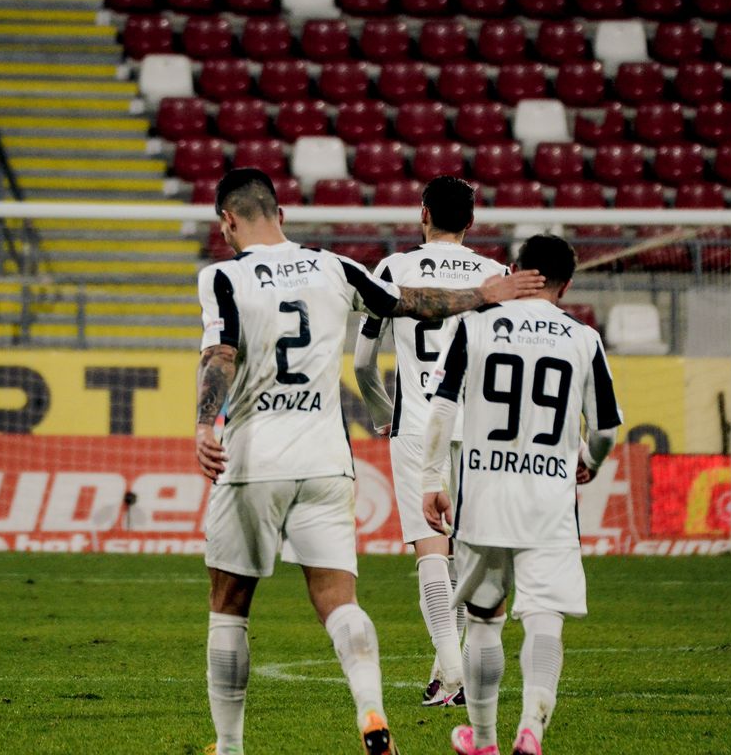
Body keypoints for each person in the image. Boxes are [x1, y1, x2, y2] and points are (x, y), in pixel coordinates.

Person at [195, 168, 546, 755]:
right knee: (341, 601)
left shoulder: (222, 276)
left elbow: (221, 352)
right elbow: (411, 304)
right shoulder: (334, 266)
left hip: (254, 459)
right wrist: (483, 294)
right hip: (330, 460)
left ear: (227, 221)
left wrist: (206, 421)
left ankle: (230, 747)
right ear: (281, 215)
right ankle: (373, 711)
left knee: (229, 608)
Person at [419, 234, 622, 755]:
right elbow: (603, 430)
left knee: (485, 620)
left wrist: (430, 480)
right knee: (543, 617)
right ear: (566, 285)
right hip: (550, 502)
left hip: (484, 497)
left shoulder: (475, 325)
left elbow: (442, 409)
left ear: (514, 269)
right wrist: (589, 463)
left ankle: (483, 741)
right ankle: (531, 728)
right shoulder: (583, 338)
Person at [353, 176, 509, 708]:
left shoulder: (393, 270)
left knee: (431, 552)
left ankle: (451, 668)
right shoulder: (497, 276)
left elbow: (361, 361)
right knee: (467, 553)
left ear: (422, 214)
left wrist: (382, 410)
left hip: (418, 422)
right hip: (483, 428)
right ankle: (451, 674)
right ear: (471, 221)